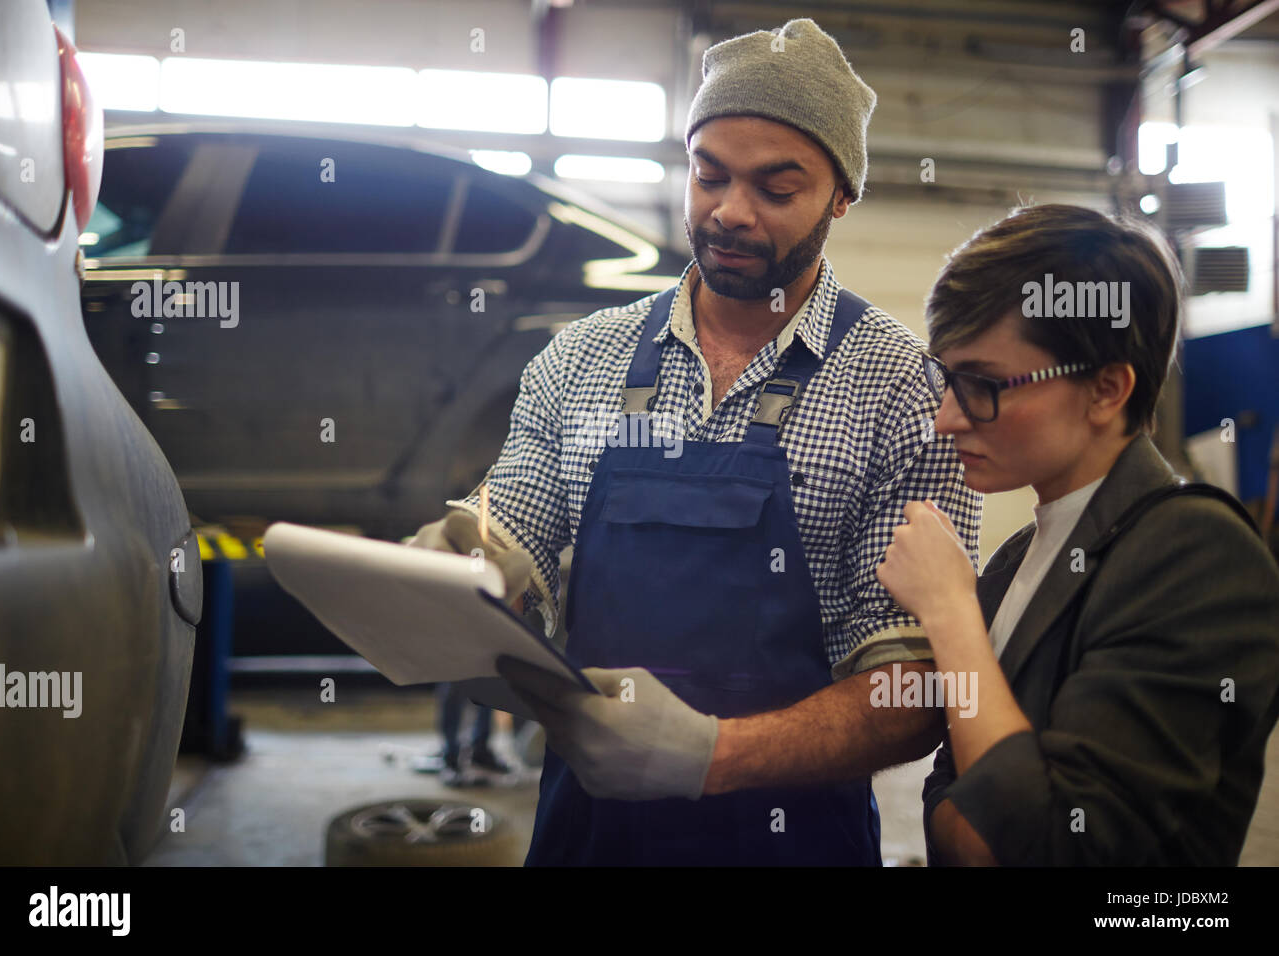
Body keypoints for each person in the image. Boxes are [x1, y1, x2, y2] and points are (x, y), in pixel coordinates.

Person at [412, 17, 982, 865]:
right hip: (589, 834)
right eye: (707, 176)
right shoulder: (581, 359)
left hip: (793, 842)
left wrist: (711, 757)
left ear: (841, 197)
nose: (730, 213)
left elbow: (915, 688)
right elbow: (516, 515)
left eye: (776, 189)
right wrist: (458, 561)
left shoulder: (902, 391)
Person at [876, 203, 1279, 865]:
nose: (947, 418)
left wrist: (950, 612)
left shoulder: (1198, 554)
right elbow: (953, 821)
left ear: (1106, 389)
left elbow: (1049, 847)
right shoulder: (1015, 564)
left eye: (980, 384)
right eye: (944, 379)